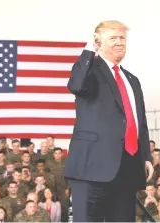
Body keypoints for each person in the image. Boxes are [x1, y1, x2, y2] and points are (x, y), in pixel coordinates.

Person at [64, 20, 154, 222]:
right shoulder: (90, 71)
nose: (119, 42)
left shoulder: (132, 80)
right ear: (98, 42)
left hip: (128, 166)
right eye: (113, 38)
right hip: (92, 167)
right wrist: (89, 50)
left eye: (122, 38)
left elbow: (140, 123)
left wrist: (146, 157)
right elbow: (76, 85)